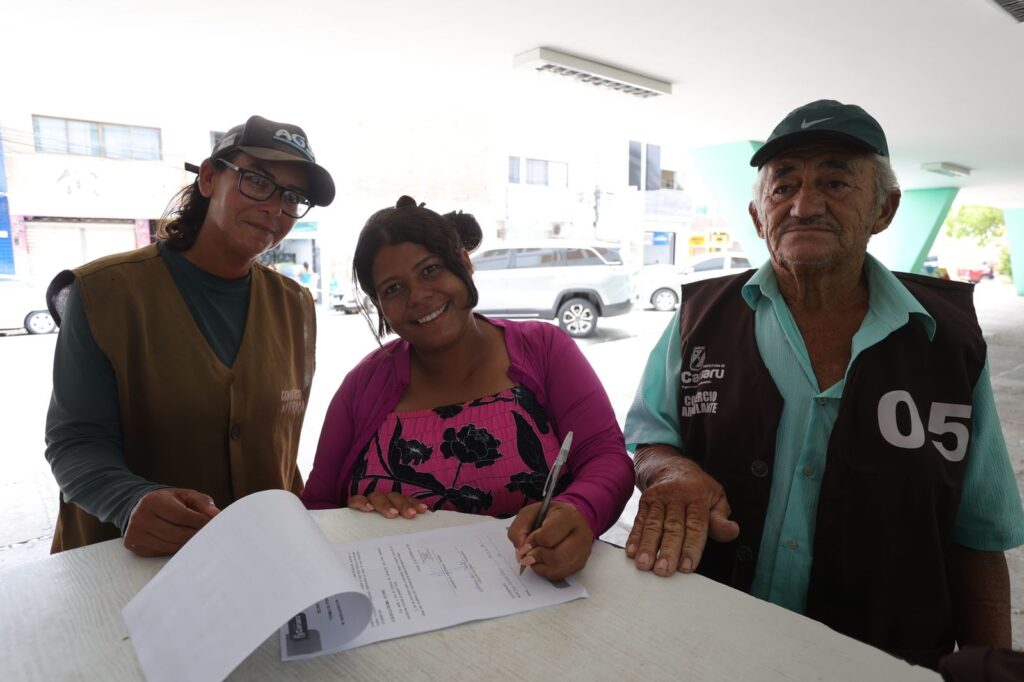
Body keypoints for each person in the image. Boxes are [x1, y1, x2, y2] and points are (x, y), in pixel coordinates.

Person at [623, 100, 1024, 668]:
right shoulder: (697, 318)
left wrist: (993, 668)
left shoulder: (948, 342)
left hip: (885, 661)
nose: (805, 206)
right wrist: (669, 468)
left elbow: (980, 540)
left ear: (884, 210)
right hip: (710, 648)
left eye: (836, 182)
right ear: (759, 215)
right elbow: (649, 437)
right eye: (782, 188)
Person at [44, 115, 336, 556]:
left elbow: (279, 448)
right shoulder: (103, 292)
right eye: (258, 181)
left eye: (292, 196)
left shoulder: (295, 305)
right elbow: (75, 440)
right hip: (124, 569)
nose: (275, 208)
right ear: (208, 178)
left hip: (256, 562)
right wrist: (128, 501)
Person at [301, 196, 633, 580]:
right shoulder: (361, 388)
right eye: (393, 289)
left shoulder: (544, 349)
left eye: (430, 270)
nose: (418, 296)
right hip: (407, 607)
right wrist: (359, 518)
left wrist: (579, 510)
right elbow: (318, 509)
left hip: (540, 596)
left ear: (464, 263)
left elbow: (606, 455)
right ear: (380, 306)